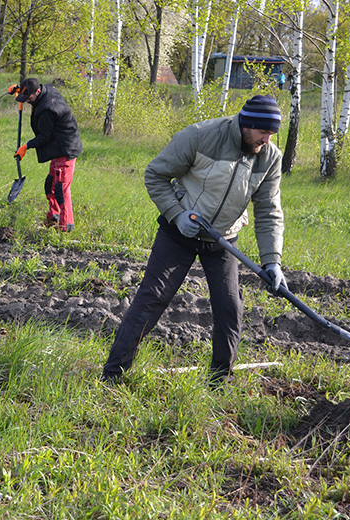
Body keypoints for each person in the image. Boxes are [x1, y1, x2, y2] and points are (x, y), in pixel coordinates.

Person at [101, 94, 288, 387]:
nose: (267, 139)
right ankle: (113, 375)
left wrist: (272, 261)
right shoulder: (201, 136)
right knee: (152, 299)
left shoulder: (269, 157)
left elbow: (268, 211)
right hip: (179, 233)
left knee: (230, 308)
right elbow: (156, 175)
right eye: (263, 132)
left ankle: (218, 383)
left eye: (271, 134)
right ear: (247, 124)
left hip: (222, 240)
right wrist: (177, 215)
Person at [8, 78, 83, 232]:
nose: (27, 101)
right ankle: (52, 218)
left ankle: (66, 227)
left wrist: (26, 146)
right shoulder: (44, 90)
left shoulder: (48, 108)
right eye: (25, 98)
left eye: (28, 98)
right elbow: (30, 92)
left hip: (65, 148)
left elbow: (44, 137)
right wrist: (20, 91)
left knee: (61, 188)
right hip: (57, 147)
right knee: (51, 185)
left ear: (37, 92)